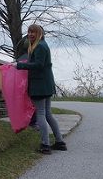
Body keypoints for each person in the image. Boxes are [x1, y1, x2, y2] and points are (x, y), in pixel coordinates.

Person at [15, 24, 66, 154]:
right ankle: (59, 142)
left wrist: (20, 66)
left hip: (40, 86)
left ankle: (45, 145)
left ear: (39, 34)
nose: (30, 34)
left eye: (33, 32)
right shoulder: (41, 45)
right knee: (48, 114)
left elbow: (39, 65)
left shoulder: (40, 47)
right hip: (45, 84)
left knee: (41, 114)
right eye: (29, 32)